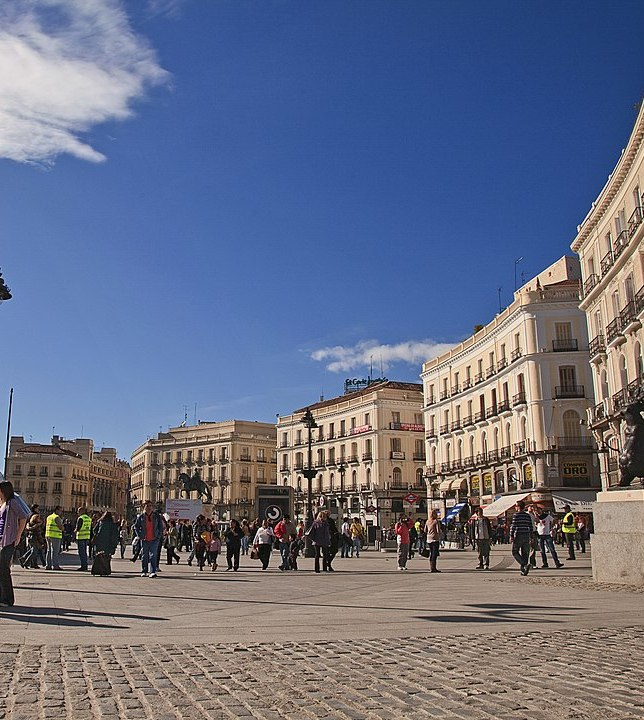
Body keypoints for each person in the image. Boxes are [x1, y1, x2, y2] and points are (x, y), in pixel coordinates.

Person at [0, 481, 29, 607]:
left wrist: (18, 536)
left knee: (4, 569)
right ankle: (3, 597)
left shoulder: (12, 502)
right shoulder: (4, 503)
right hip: (2, 540)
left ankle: (8, 599)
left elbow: (23, 517)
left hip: (9, 540)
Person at [133, 500, 164, 578]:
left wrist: (159, 535)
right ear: (144, 507)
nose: (149, 508)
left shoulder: (156, 516)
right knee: (144, 556)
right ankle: (144, 571)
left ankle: (152, 571)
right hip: (144, 539)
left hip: (154, 539)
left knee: (153, 555)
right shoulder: (141, 517)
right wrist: (139, 535)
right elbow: (135, 526)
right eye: (147, 506)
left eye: (150, 506)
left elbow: (161, 526)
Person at [510, 500, 534, 575]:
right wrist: (531, 536)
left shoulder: (516, 515)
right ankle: (523, 570)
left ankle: (524, 564)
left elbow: (513, 526)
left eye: (516, 506)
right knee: (525, 553)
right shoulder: (527, 516)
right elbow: (530, 526)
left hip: (519, 535)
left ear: (518, 507)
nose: (515, 507)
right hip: (526, 535)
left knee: (515, 551)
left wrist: (511, 535)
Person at [92, 511, 120, 575]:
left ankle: (97, 570)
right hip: (108, 543)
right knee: (106, 557)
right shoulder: (112, 524)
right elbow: (114, 535)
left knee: (99, 556)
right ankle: (105, 570)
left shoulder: (100, 522)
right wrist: (114, 545)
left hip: (99, 542)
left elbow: (94, 530)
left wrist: (98, 535)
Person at [45, 505, 64, 570]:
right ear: (56, 510)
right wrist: (63, 527)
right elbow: (60, 527)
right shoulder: (57, 517)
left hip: (48, 535)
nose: (61, 512)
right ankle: (55, 565)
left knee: (49, 550)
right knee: (55, 551)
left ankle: (48, 565)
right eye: (60, 510)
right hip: (55, 536)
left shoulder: (49, 517)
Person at [74, 507, 92, 572]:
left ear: (82, 511)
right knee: (84, 552)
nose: (77, 512)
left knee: (81, 552)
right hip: (86, 537)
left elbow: (78, 528)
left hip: (81, 537)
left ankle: (83, 566)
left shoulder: (81, 518)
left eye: (78, 511)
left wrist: (75, 531)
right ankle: (85, 565)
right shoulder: (89, 518)